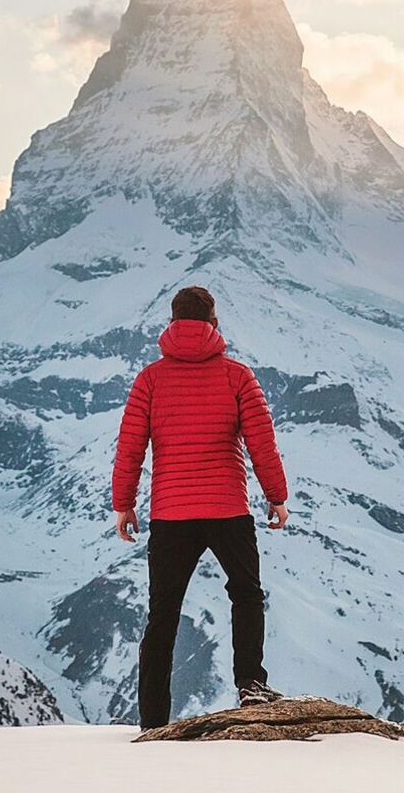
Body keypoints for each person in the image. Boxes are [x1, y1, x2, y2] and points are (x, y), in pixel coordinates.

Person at [112, 285, 290, 729]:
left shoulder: (149, 379)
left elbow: (130, 447)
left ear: (172, 322)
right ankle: (251, 686)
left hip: (171, 514)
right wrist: (277, 497)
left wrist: (124, 504)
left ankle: (153, 718)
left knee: (163, 612)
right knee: (245, 595)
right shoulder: (237, 376)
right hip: (227, 508)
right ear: (213, 322)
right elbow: (261, 443)